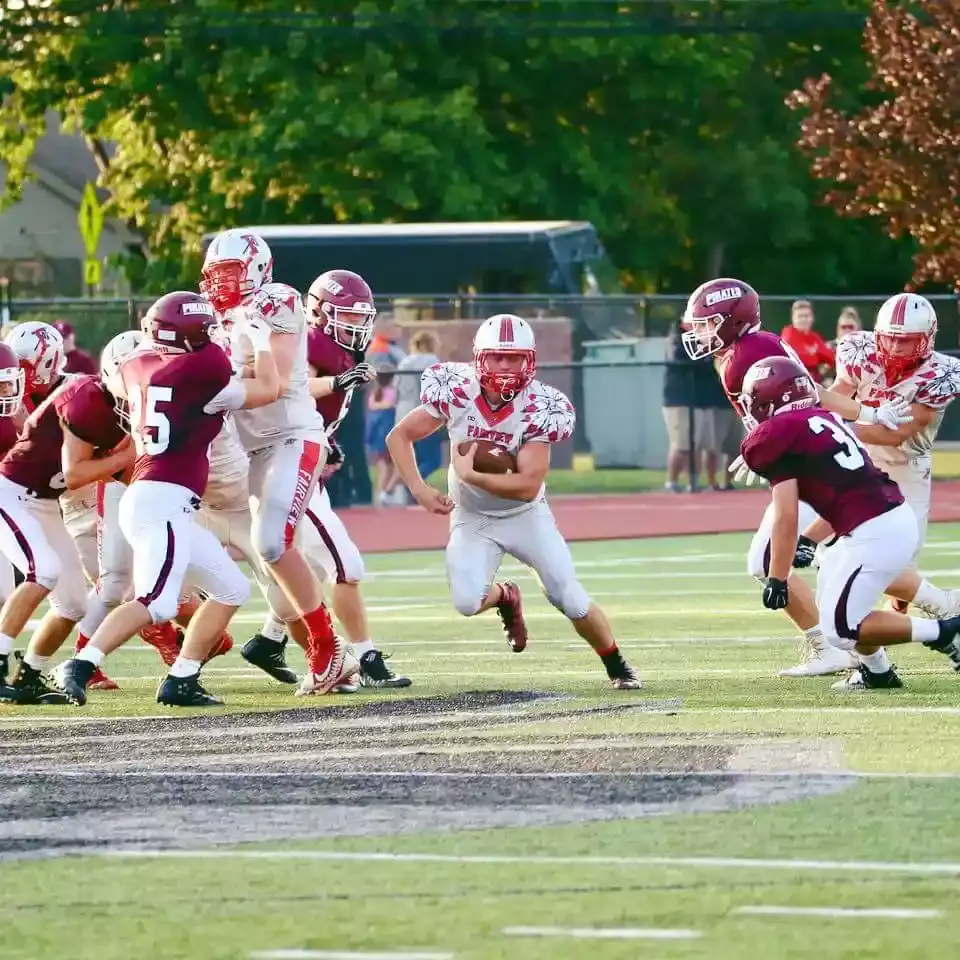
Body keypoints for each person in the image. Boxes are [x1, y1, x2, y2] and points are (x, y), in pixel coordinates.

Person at [682, 277, 932, 678]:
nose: (700, 332)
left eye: (707, 322)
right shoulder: (746, 348)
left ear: (732, 320)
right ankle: (940, 607)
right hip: (808, 456)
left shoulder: (752, 351)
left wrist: (866, 415)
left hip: (807, 464)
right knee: (840, 556)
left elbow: (809, 393)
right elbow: (799, 398)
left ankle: (835, 645)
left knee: (772, 560)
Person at [386, 312, 641, 690]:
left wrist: (472, 475)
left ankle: (617, 665)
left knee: (569, 598)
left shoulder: (542, 405)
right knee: (466, 601)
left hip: (525, 516)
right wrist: (420, 490)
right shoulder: (455, 389)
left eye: (514, 357)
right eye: (496, 357)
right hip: (472, 516)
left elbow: (527, 484)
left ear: (530, 360)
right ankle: (506, 596)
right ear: (479, 358)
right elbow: (399, 436)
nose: (505, 366)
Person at [53, 291, 279, 707]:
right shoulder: (205, 366)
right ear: (189, 337)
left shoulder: (137, 366)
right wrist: (260, 339)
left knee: (231, 588)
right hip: (163, 499)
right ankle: (80, 664)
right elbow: (269, 386)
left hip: (157, 498)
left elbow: (126, 380)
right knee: (157, 602)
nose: (213, 335)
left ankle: (182, 678)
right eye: (206, 329)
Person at [739, 355, 960, 690]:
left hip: (875, 532)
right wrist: (811, 539)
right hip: (884, 520)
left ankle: (946, 631)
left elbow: (786, 516)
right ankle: (878, 670)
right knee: (834, 588)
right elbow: (843, 492)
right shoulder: (825, 418)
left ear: (770, 400)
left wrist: (778, 578)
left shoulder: (775, 435)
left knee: (841, 629)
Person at [200, 228, 355, 697]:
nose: (221, 283)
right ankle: (332, 653)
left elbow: (279, 374)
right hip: (251, 449)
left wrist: (211, 380)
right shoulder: (217, 319)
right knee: (272, 553)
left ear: (257, 269)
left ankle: (326, 645)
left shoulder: (276, 301)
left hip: (293, 436)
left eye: (231, 271)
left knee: (271, 542)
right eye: (215, 274)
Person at [242, 268, 412, 690]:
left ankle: (269, 638)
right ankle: (367, 657)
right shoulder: (306, 339)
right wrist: (335, 382)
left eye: (360, 319)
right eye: (347, 317)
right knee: (344, 564)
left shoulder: (336, 347)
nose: (355, 326)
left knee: (297, 570)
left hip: (299, 460)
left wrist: (327, 442)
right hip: (286, 464)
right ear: (317, 311)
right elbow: (291, 384)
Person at [0, 322, 133, 705]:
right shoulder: (79, 394)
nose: (19, 378)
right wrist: (126, 455)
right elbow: (76, 474)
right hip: (14, 494)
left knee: (74, 603)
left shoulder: (84, 391)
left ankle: (28, 676)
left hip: (46, 501)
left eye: (26, 367)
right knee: (40, 571)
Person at [827, 293, 960, 617]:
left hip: (907, 465)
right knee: (845, 556)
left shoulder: (942, 373)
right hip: (859, 458)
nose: (897, 348)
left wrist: (835, 429)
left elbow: (897, 432)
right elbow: (838, 394)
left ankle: (901, 617)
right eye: (890, 339)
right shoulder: (857, 348)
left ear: (927, 339)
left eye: (907, 341)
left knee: (900, 566)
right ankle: (945, 608)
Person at [396, 331, 444, 493]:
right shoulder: (430, 360)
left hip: (402, 412)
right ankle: (409, 485)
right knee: (432, 459)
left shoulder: (404, 361)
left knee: (413, 457)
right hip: (422, 412)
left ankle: (405, 488)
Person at [661, 322, 702, 491]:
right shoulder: (676, 343)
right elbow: (681, 355)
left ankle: (691, 481)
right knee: (680, 444)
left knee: (692, 444)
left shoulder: (695, 341)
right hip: (676, 401)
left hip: (691, 400)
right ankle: (671, 481)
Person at [366, 366, 401, 506]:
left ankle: (381, 494)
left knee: (383, 467)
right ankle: (384, 493)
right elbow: (390, 405)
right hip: (386, 433)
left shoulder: (375, 394)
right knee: (390, 467)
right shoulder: (392, 393)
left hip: (377, 435)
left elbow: (374, 406)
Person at [780, 300, 835, 383]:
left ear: (812, 318)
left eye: (806, 316)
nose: (804, 319)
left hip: (812, 383)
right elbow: (800, 358)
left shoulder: (814, 336)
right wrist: (817, 355)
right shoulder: (789, 334)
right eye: (800, 316)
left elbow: (831, 358)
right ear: (793, 319)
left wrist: (815, 355)